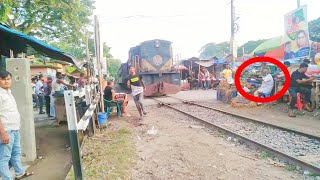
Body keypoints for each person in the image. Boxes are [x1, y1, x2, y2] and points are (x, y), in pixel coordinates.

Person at [0, 70, 34, 179]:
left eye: (8, 79)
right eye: (3, 79)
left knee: (16, 153)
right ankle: (6, 178)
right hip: (6, 130)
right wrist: (3, 133)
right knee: (4, 158)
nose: (6, 81)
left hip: (14, 129)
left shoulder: (8, 93)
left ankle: (19, 173)